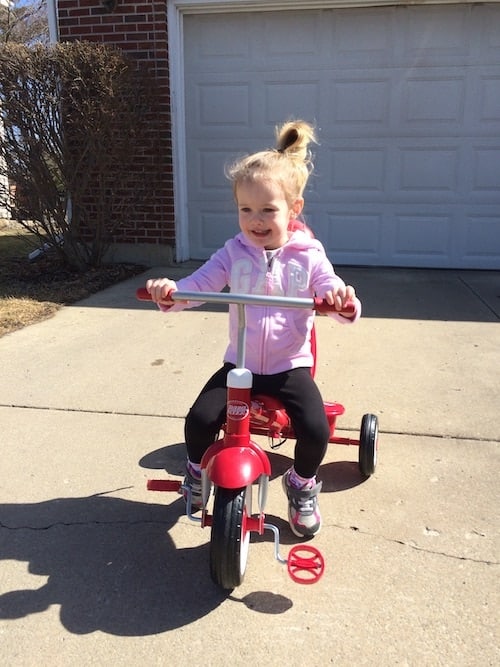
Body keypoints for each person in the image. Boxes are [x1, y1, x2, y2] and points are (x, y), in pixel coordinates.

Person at [146, 120, 361, 538]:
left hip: (288, 367)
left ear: (293, 210)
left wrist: (340, 300)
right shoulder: (234, 252)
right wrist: (172, 291)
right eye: (246, 210)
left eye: (268, 210)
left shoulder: (309, 256)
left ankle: (301, 486)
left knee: (315, 430)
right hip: (239, 365)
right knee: (199, 419)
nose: (255, 220)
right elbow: (200, 284)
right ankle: (195, 475)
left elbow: (330, 288)